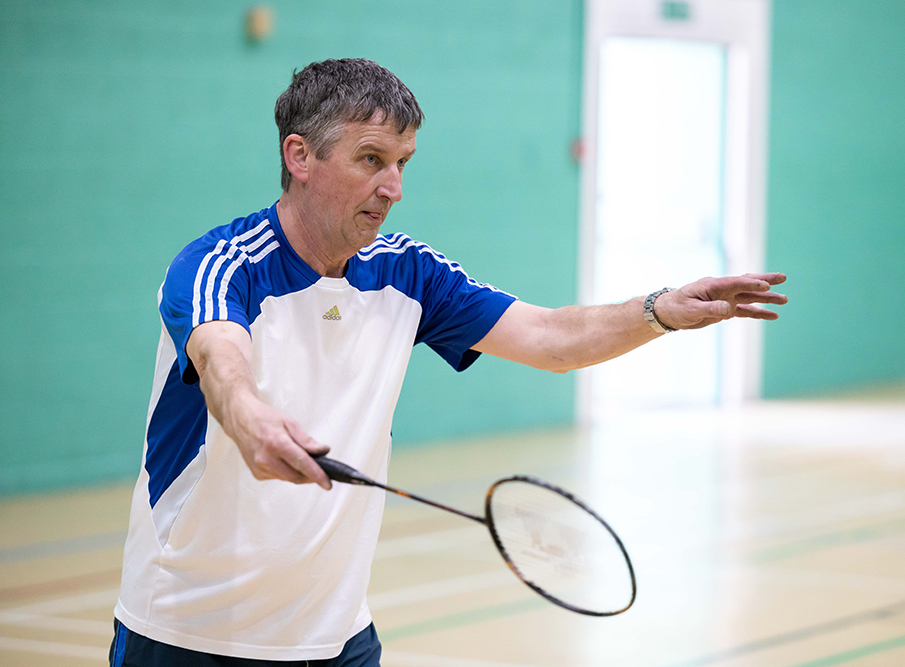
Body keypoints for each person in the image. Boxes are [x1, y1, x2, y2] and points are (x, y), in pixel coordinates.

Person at [110, 58, 787, 667]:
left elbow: (550, 337)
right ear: (301, 156)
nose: (394, 185)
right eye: (371, 159)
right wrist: (252, 418)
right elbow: (222, 361)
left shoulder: (408, 271)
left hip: (337, 633)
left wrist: (662, 307)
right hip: (189, 635)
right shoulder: (218, 266)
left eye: (403, 161)